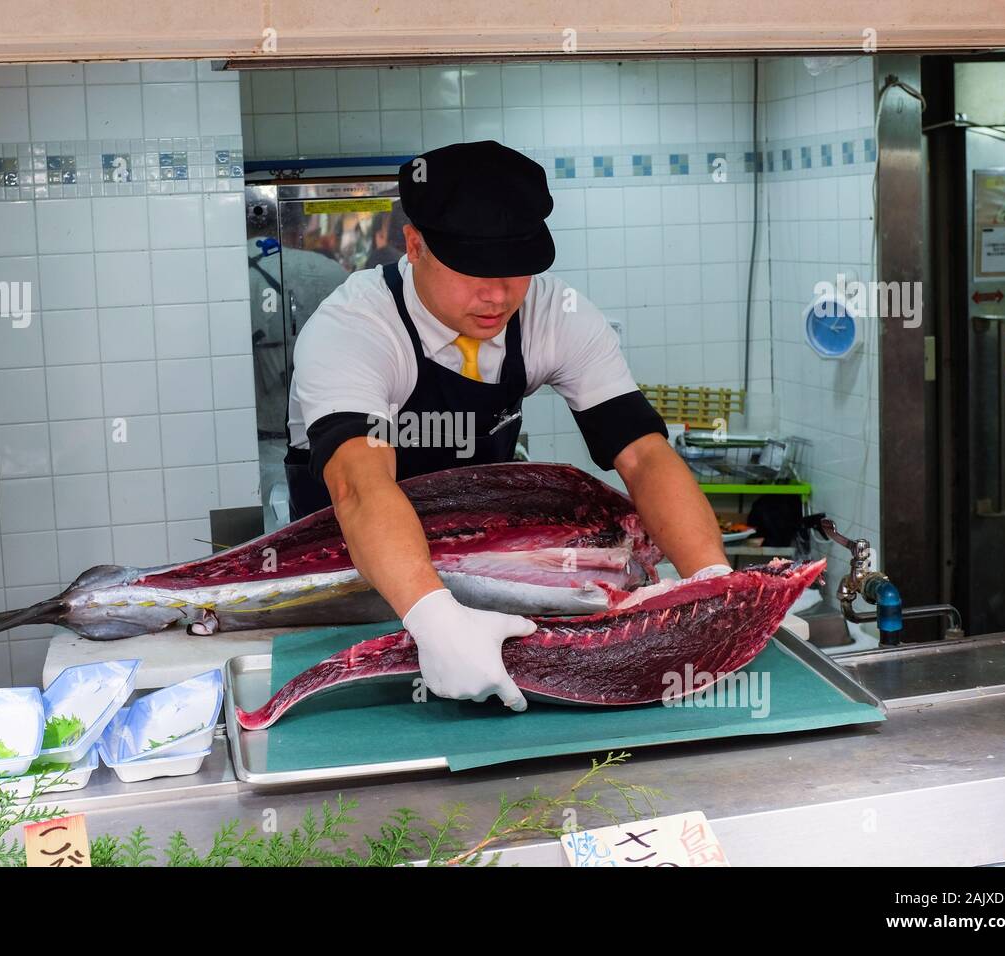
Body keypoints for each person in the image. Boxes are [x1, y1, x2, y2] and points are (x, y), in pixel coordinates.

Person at [284, 140, 730, 713]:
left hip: (485, 566)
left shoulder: (555, 314)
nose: (496, 295)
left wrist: (714, 584)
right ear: (413, 244)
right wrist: (434, 618)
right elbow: (358, 484)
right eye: (472, 270)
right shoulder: (354, 327)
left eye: (516, 269)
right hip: (351, 578)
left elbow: (641, 453)